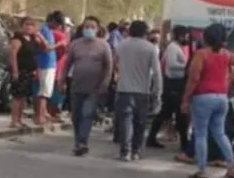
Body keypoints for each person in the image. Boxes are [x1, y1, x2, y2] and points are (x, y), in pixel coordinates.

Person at [181, 24, 234, 178]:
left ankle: (202, 169)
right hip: (221, 97)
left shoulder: (201, 54)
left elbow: (194, 78)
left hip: (203, 97)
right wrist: (228, 80)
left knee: (201, 133)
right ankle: (232, 166)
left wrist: (185, 98)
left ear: (206, 38)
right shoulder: (225, 54)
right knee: (220, 133)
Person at [60, 16, 113, 156]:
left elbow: (109, 66)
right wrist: (62, 81)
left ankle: (83, 142)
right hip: (76, 85)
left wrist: (105, 83)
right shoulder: (75, 45)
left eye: (92, 27)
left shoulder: (103, 46)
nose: (89, 29)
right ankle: (78, 142)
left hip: (94, 88)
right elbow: (67, 64)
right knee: (76, 115)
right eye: (86, 27)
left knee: (87, 114)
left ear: (97, 29)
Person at [115, 20, 162, 161]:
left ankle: (125, 152)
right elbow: (157, 72)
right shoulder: (150, 48)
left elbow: (116, 63)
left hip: (123, 89)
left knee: (125, 122)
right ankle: (136, 151)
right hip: (142, 91)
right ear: (145, 32)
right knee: (140, 123)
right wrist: (157, 92)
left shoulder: (122, 45)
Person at [147, 25, 190, 150]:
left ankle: (182, 141)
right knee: (173, 114)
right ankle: (183, 142)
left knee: (171, 114)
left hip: (177, 84)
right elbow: (171, 65)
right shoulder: (173, 48)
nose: (186, 38)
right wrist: (186, 66)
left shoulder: (177, 47)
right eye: (184, 36)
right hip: (173, 84)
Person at [8, 17, 44, 128]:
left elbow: (45, 48)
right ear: (21, 25)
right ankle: (14, 120)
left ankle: (19, 119)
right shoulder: (18, 38)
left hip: (30, 71)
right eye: (26, 24)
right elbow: (13, 54)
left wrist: (40, 36)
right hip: (20, 71)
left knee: (23, 97)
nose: (29, 27)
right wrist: (15, 71)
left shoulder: (32, 39)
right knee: (17, 96)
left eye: (31, 25)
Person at [33, 12, 61, 125]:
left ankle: (43, 114)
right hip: (45, 64)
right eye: (58, 23)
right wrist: (59, 44)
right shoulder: (43, 30)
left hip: (48, 64)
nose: (58, 26)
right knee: (44, 92)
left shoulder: (47, 30)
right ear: (53, 21)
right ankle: (40, 117)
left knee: (46, 91)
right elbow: (44, 46)